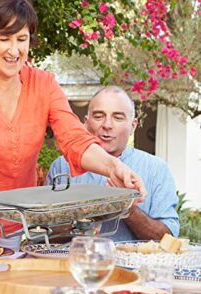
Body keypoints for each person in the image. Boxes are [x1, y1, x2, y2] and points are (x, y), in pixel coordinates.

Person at [0, 0, 146, 235]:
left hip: (17, 224)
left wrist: (114, 166)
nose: (14, 51)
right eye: (4, 39)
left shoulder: (44, 84)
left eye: (21, 39)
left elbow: (74, 138)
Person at [46, 86, 179, 241]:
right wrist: (86, 214)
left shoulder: (156, 169)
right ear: (86, 123)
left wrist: (126, 207)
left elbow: (167, 239)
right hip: (75, 263)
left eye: (118, 117)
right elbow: (42, 233)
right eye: (98, 116)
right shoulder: (62, 167)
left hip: (132, 265)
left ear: (133, 126)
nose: (107, 125)